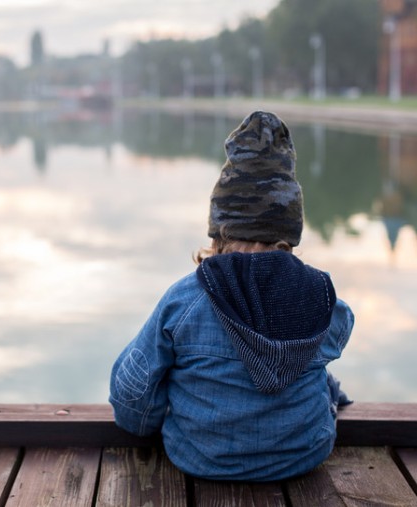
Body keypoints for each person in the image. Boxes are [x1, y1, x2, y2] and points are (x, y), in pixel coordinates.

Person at [109, 111, 354, 482]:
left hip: (202, 459)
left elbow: (131, 392)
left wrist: (148, 427)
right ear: (289, 230)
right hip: (303, 455)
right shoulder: (318, 293)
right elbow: (342, 326)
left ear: (218, 230)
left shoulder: (185, 300)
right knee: (320, 374)